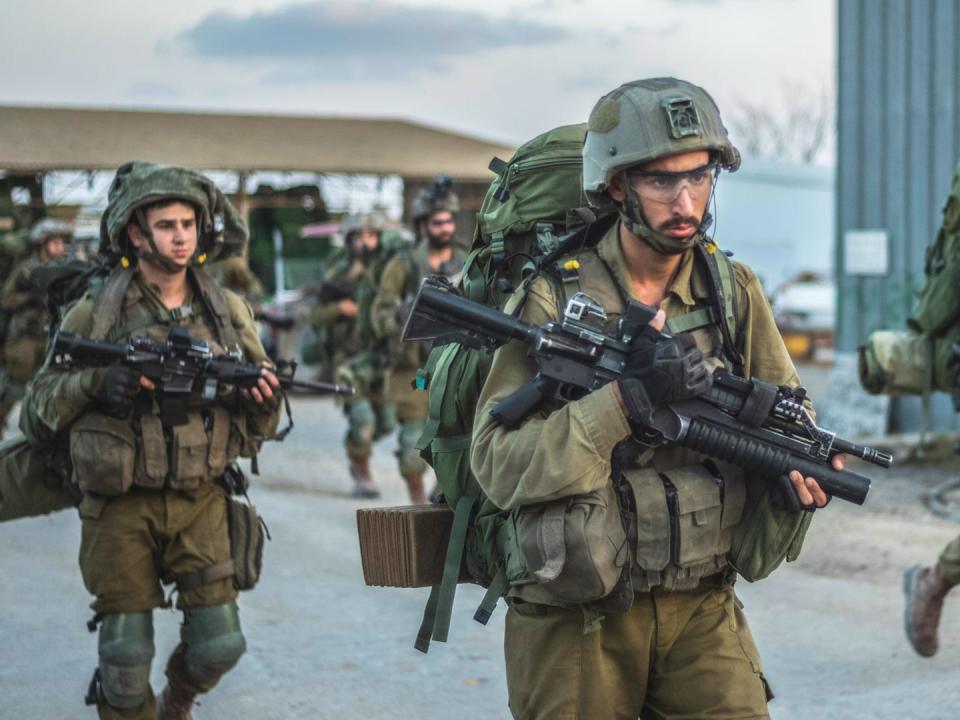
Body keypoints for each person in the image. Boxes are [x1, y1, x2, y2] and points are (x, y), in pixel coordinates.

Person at [470, 78, 839, 719]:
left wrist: (793, 469)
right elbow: (498, 464)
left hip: (701, 601)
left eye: (700, 178)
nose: (686, 200)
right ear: (617, 187)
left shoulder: (730, 288)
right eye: (663, 182)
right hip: (575, 615)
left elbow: (786, 411)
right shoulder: (554, 298)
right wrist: (620, 404)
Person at [21, 161, 281, 720]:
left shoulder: (227, 312)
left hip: (201, 499)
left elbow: (260, 424)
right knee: (123, 656)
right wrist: (97, 383)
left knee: (219, 644)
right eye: (166, 225)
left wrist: (264, 401)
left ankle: (178, 698)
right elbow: (38, 410)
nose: (181, 235)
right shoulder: (97, 311)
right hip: (119, 506)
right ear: (136, 234)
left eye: (189, 223)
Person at [371, 177, 465, 504]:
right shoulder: (404, 264)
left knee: (459, 450)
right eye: (437, 222)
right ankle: (419, 508)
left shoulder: (468, 261)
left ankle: (443, 504)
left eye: (449, 221)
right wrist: (409, 314)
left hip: (458, 368)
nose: (445, 227)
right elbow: (379, 315)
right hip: (415, 373)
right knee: (414, 450)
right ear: (423, 225)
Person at [311, 212, 396, 498]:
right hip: (346, 361)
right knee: (363, 418)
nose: (365, 242)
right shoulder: (337, 275)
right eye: (359, 237)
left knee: (386, 422)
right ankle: (362, 471)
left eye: (371, 236)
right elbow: (316, 317)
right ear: (349, 241)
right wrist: (340, 309)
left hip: (380, 362)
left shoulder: (390, 272)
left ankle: (358, 449)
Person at [0, 218, 71, 433]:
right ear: (42, 244)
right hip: (24, 336)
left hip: (50, 335)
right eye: (54, 242)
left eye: (61, 242)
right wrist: (29, 297)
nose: (59, 247)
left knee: (49, 383)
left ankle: (43, 428)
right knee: (15, 385)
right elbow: (6, 298)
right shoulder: (26, 269)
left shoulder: (64, 268)